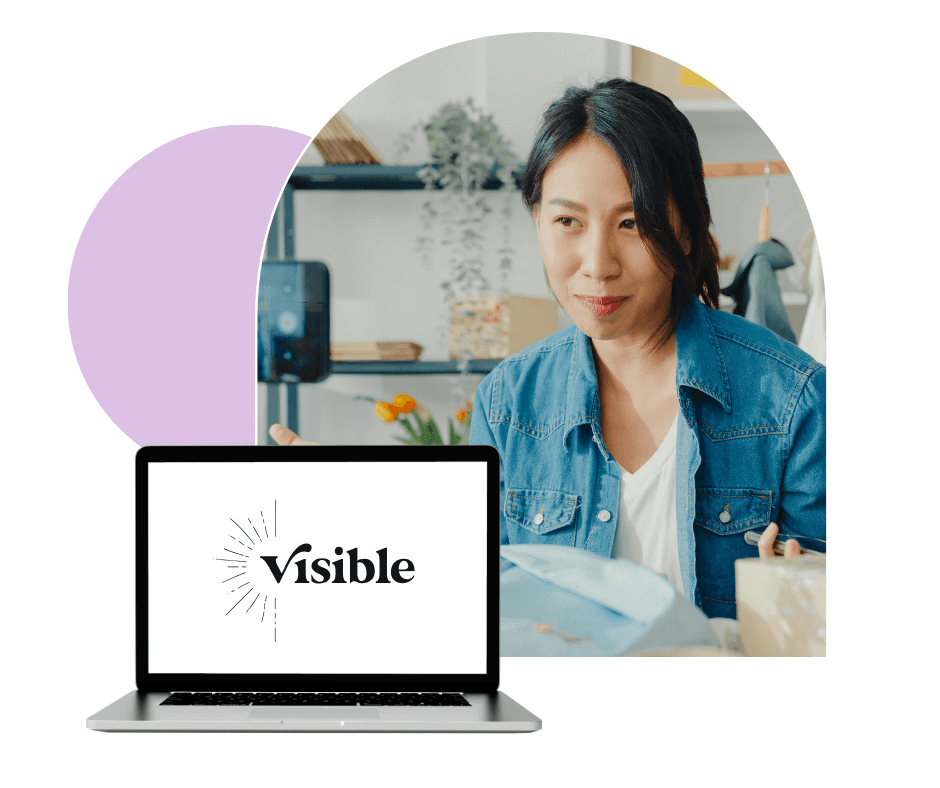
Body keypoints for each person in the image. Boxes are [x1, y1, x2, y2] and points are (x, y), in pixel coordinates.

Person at [272, 78, 825, 619]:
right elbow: (475, 596)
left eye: (632, 223)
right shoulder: (508, 403)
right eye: (568, 222)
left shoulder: (792, 398)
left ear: (684, 228)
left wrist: (809, 592)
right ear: (537, 221)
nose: (597, 265)